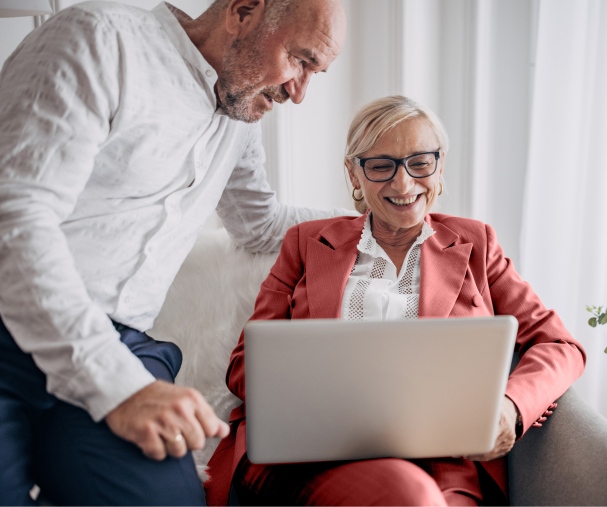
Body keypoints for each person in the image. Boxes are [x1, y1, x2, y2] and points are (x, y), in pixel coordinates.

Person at [0, 1, 348, 506]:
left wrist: (378, 220)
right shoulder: (100, 40)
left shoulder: (238, 119)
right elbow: (16, 219)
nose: (298, 93)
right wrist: (119, 387)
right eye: (300, 59)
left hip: (123, 346)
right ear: (244, 11)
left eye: (315, 73)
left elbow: (260, 225)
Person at [205, 95, 587, 507]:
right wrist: (320, 388)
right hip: (306, 456)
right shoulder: (305, 243)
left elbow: (560, 346)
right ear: (354, 172)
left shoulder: (477, 244)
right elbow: (244, 365)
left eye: (420, 163)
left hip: (444, 463)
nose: (403, 185)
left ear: (439, 166)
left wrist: (510, 408)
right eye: (381, 166)